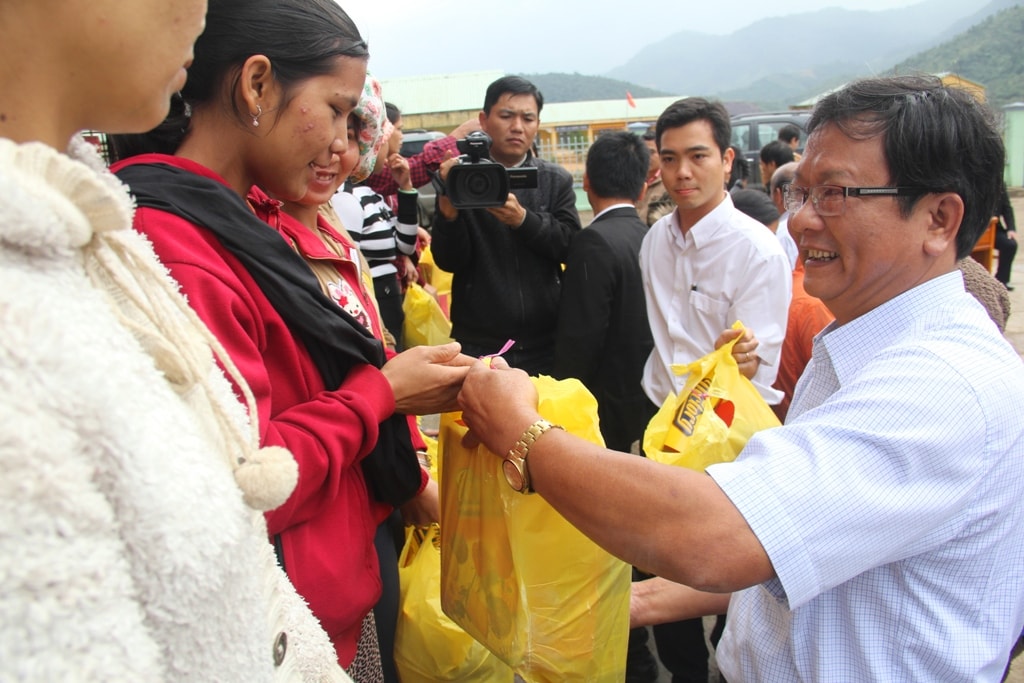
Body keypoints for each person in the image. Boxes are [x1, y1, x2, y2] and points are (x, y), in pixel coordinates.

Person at [457, 74, 1024, 681]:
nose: (802, 223)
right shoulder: (857, 346)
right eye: (799, 193)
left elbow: (717, 535)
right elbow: (797, 549)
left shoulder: (941, 385)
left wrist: (521, 432)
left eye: (834, 194)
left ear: (939, 218)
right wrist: (637, 602)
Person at [107, 0, 472, 677]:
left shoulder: (255, 221)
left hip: (326, 591)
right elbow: (244, 479)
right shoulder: (180, 243)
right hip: (280, 620)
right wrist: (382, 394)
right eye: (334, 109)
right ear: (256, 84)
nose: (341, 140)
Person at [0, 0, 349, 680]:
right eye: (334, 108)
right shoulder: (152, 239)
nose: (204, 12)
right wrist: (375, 395)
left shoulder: (98, 230)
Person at [638, 97, 791, 682]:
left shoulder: (756, 250)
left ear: (727, 160)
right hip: (662, 425)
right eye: (670, 157)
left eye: (698, 156)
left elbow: (762, 371)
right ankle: (684, 671)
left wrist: (744, 361)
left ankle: (730, 665)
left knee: (725, 573)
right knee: (659, 559)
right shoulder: (655, 241)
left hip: (724, 441)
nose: (682, 172)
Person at [431, 75, 582, 374]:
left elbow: (570, 247)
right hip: (478, 344)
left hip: (546, 342)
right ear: (484, 121)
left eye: (528, 118)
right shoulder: (461, 180)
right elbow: (449, 261)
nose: (517, 127)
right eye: (506, 116)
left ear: (537, 123)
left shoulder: (554, 179)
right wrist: (449, 214)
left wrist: (523, 220)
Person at [340, 94, 420, 351]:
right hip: (372, 299)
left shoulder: (371, 196)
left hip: (388, 296)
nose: (385, 146)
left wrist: (406, 187)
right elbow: (347, 271)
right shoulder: (346, 199)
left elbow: (406, 245)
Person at [635, 128, 674, 227]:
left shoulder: (669, 183)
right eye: (643, 152)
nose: (646, 157)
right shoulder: (633, 180)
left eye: (651, 152)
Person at [995, 180, 1017, 289]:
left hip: (993, 228)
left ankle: (1001, 280)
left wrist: (1011, 229)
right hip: (972, 230)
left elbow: (1007, 208)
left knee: (1010, 245)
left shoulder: (998, 183)